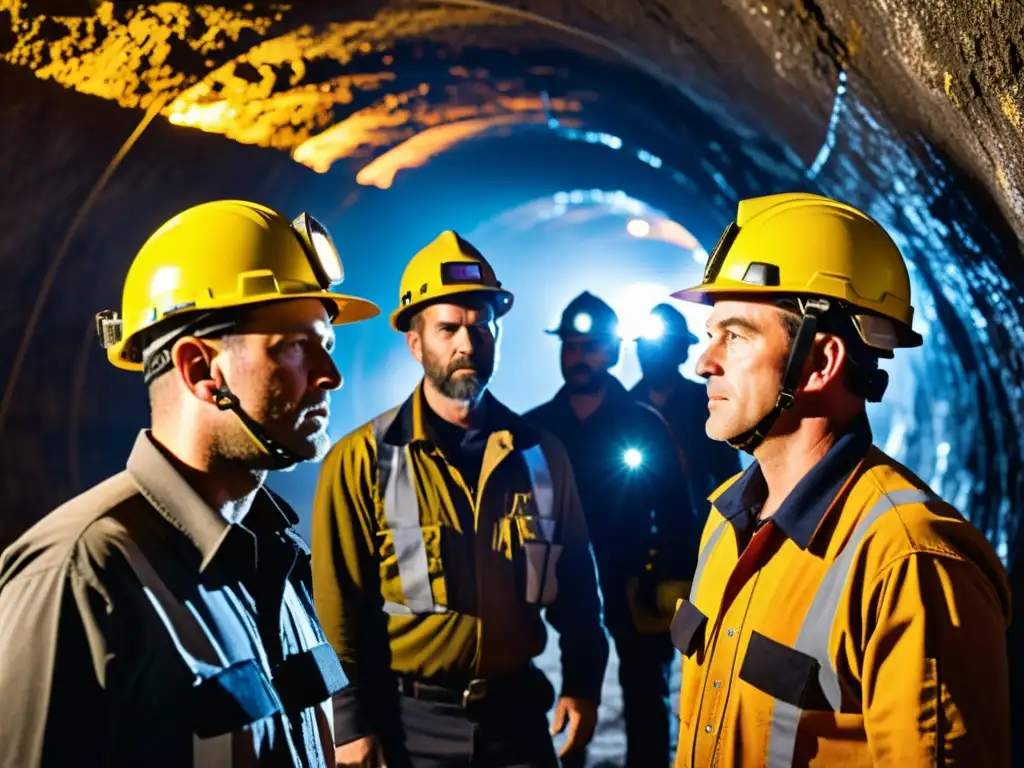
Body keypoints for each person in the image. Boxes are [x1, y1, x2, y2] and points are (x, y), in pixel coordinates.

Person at [0, 200, 380, 766]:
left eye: (326, 345)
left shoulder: (273, 557)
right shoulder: (82, 575)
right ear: (201, 371)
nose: (331, 375)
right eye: (296, 348)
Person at [669, 192, 1011, 767]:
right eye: (711, 333)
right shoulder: (726, 521)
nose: (705, 361)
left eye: (736, 335)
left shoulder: (908, 563)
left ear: (821, 362)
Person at [312, 231, 608, 768]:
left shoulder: (541, 455)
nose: (466, 345)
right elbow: (337, 615)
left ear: (498, 335)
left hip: (517, 720)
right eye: (448, 328)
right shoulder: (359, 463)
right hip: (408, 726)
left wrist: (584, 682)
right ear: (415, 342)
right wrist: (349, 722)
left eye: (480, 328)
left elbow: (579, 592)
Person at [526, 291, 700, 768]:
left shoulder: (644, 424)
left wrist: (674, 590)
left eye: (591, 345)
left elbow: (676, 517)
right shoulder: (532, 431)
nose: (579, 356)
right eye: (571, 345)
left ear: (616, 351)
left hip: (632, 579)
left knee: (645, 694)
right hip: (557, 586)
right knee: (564, 698)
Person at [632, 303, 742, 520]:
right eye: (647, 346)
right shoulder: (621, 410)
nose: (652, 354)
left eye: (663, 346)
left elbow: (730, 478)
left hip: (697, 532)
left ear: (682, 352)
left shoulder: (709, 405)